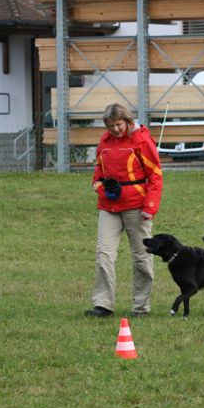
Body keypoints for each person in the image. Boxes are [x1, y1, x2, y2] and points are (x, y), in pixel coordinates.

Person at [85, 103, 163, 317]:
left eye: (118, 124)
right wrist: (100, 187)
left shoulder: (141, 140)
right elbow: (98, 172)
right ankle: (103, 305)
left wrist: (150, 206)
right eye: (110, 126)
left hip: (137, 207)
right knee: (104, 254)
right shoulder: (105, 141)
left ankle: (141, 307)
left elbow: (155, 175)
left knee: (142, 256)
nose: (115, 129)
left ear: (128, 121)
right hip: (109, 206)